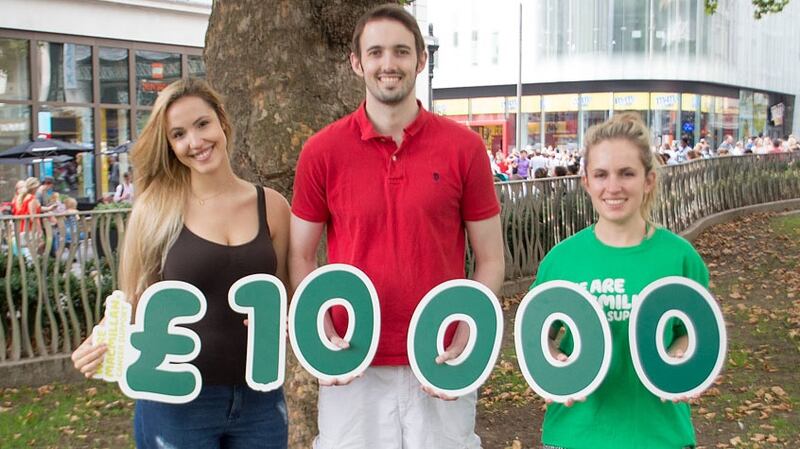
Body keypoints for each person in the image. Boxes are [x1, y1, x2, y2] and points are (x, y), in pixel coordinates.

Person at [290, 4, 504, 449]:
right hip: (354, 361)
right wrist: (320, 332)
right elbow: (301, 254)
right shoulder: (321, 152)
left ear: (420, 60)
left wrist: (469, 332)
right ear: (357, 62)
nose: (389, 64)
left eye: (402, 52)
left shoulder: (464, 148)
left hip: (441, 357)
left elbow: (490, 258)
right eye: (376, 52)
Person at [70, 78, 290, 449]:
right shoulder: (155, 210)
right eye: (179, 134)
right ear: (170, 146)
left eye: (202, 124)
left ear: (222, 122)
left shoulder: (273, 206)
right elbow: (135, 298)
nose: (195, 142)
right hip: (174, 399)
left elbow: (284, 292)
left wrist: (286, 320)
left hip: (260, 399)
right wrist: (104, 336)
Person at [531, 113, 709, 449]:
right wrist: (557, 365)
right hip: (574, 434)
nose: (613, 187)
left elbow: (695, 332)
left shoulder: (680, 258)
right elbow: (538, 339)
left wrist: (679, 359)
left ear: (648, 180)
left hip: (660, 436)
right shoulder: (560, 260)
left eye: (627, 173)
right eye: (601, 175)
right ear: (586, 182)